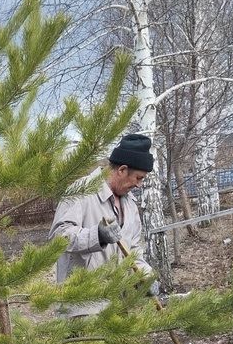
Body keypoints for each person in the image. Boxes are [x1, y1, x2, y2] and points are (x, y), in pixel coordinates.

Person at [49, 133, 159, 318]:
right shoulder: (82, 191)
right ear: (122, 170)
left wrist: (145, 276)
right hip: (82, 308)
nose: (139, 185)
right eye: (138, 178)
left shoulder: (130, 205)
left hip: (117, 308)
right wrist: (97, 235)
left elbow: (133, 251)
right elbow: (58, 237)